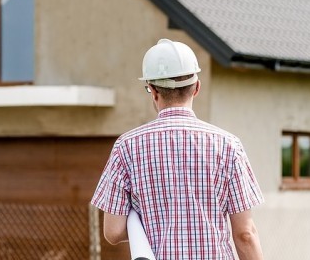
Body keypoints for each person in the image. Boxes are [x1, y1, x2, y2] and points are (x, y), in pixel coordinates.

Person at [91, 39, 265, 260]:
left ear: (153, 91)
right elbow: (245, 234)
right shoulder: (229, 146)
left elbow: (113, 232)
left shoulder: (126, 147)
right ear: (197, 88)